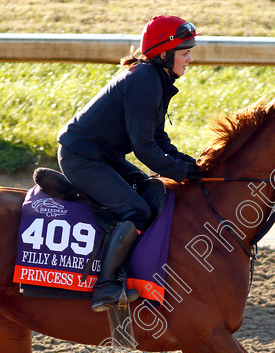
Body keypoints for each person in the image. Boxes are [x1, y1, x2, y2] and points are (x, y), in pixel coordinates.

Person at [57, 15, 204, 313]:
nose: (189, 59)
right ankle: (106, 286)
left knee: (153, 192)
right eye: (185, 53)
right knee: (135, 209)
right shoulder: (144, 82)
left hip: (103, 156)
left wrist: (195, 165)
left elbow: (158, 140)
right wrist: (182, 173)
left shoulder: (156, 79)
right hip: (82, 158)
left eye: (190, 52)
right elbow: (144, 148)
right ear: (164, 54)